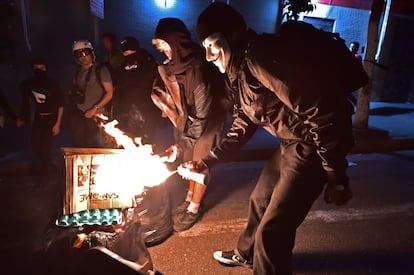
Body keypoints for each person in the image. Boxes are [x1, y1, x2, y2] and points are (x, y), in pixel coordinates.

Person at [177, 2, 365, 274]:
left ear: (231, 36)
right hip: (292, 141)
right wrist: (208, 161)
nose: (207, 55)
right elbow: (244, 121)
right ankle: (247, 254)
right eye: (203, 46)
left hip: (312, 145)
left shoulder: (260, 57)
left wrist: (335, 176)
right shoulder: (239, 68)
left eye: (212, 44)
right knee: (260, 200)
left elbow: (321, 113)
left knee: (273, 229)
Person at [151, 17, 230, 232]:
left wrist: (181, 143)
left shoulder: (197, 69)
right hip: (188, 119)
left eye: (165, 46)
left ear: (175, 42)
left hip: (210, 120)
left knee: (198, 164)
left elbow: (202, 116)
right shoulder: (175, 64)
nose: (164, 52)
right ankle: (188, 198)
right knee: (187, 160)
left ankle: (194, 208)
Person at [16, 56, 64, 184]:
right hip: (39, 119)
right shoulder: (29, 84)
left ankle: (44, 180)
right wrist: (22, 117)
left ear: (46, 68)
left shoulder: (52, 83)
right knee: (36, 147)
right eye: (36, 68)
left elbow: (61, 104)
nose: (39, 70)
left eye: (41, 68)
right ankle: (52, 168)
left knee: (44, 149)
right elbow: (25, 103)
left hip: (51, 119)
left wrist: (58, 124)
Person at [112, 36, 161, 141]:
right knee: (127, 142)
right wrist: (115, 109)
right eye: (125, 53)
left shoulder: (149, 63)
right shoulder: (121, 67)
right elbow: (118, 88)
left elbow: (159, 86)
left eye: (130, 52)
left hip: (146, 111)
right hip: (126, 112)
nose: (128, 55)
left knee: (146, 143)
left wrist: (162, 111)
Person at [68, 40, 114, 148]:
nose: (82, 57)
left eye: (85, 53)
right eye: (78, 54)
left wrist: (95, 108)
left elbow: (110, 93)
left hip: (97, 116)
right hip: (80, 115)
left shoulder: (100, 70)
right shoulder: (77, 71)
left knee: (95, 146)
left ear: (91, 53)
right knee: (79, 145)